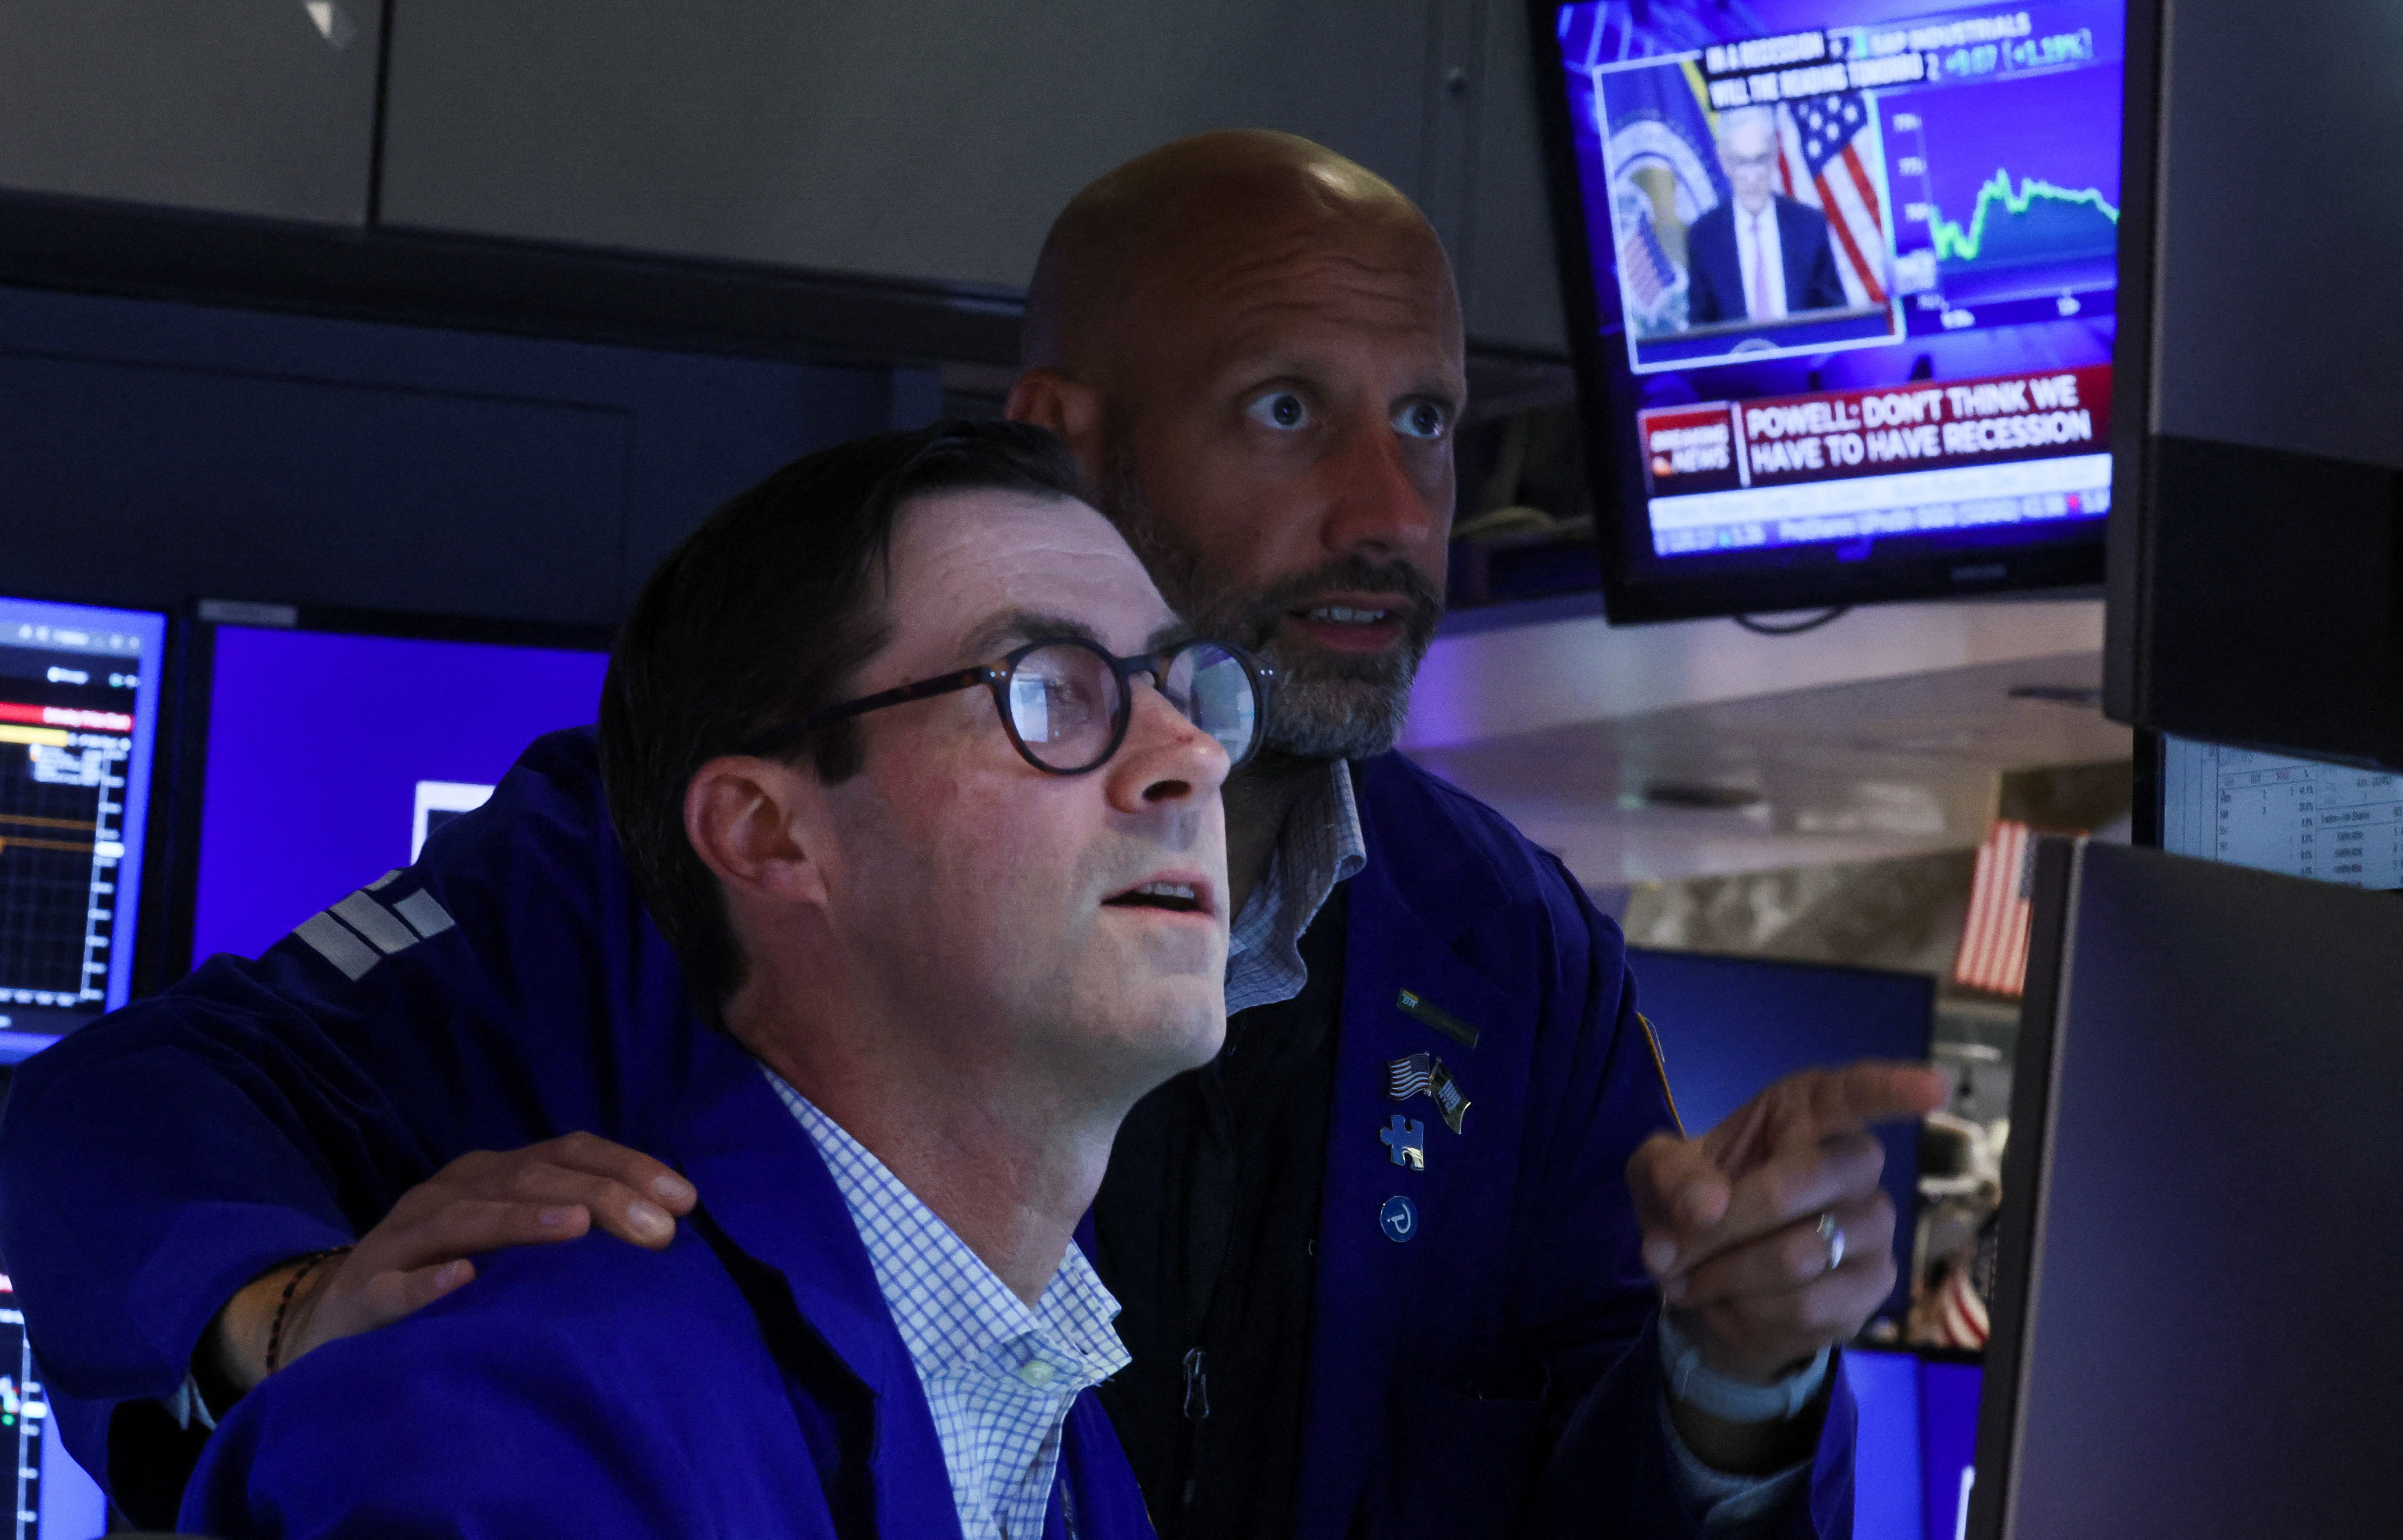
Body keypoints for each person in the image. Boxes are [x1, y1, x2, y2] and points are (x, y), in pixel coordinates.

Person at [0, 130, 1942, 1538]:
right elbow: (128, 1106)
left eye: (1431, 422)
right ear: (1064, 441)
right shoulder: (613, 952)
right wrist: (279, 1314)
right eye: (1289, 410)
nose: (1389, 505)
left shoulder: (1495, 947)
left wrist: (1740, 1374)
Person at [185, 421, 1263, 1536]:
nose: (1192, 754)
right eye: (1047, 693)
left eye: (1186, 688)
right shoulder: (498, 1433)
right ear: (768, 835)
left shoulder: (1049, 1418)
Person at [1683, 108, 1849, 328]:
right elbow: (1700, 330)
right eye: (1741, 162)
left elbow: (1836, 318)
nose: (1753, 176)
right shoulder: (1704, 237)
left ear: (1774, 154)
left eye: (1760, 160)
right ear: (1723, 161)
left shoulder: (1810, 227)